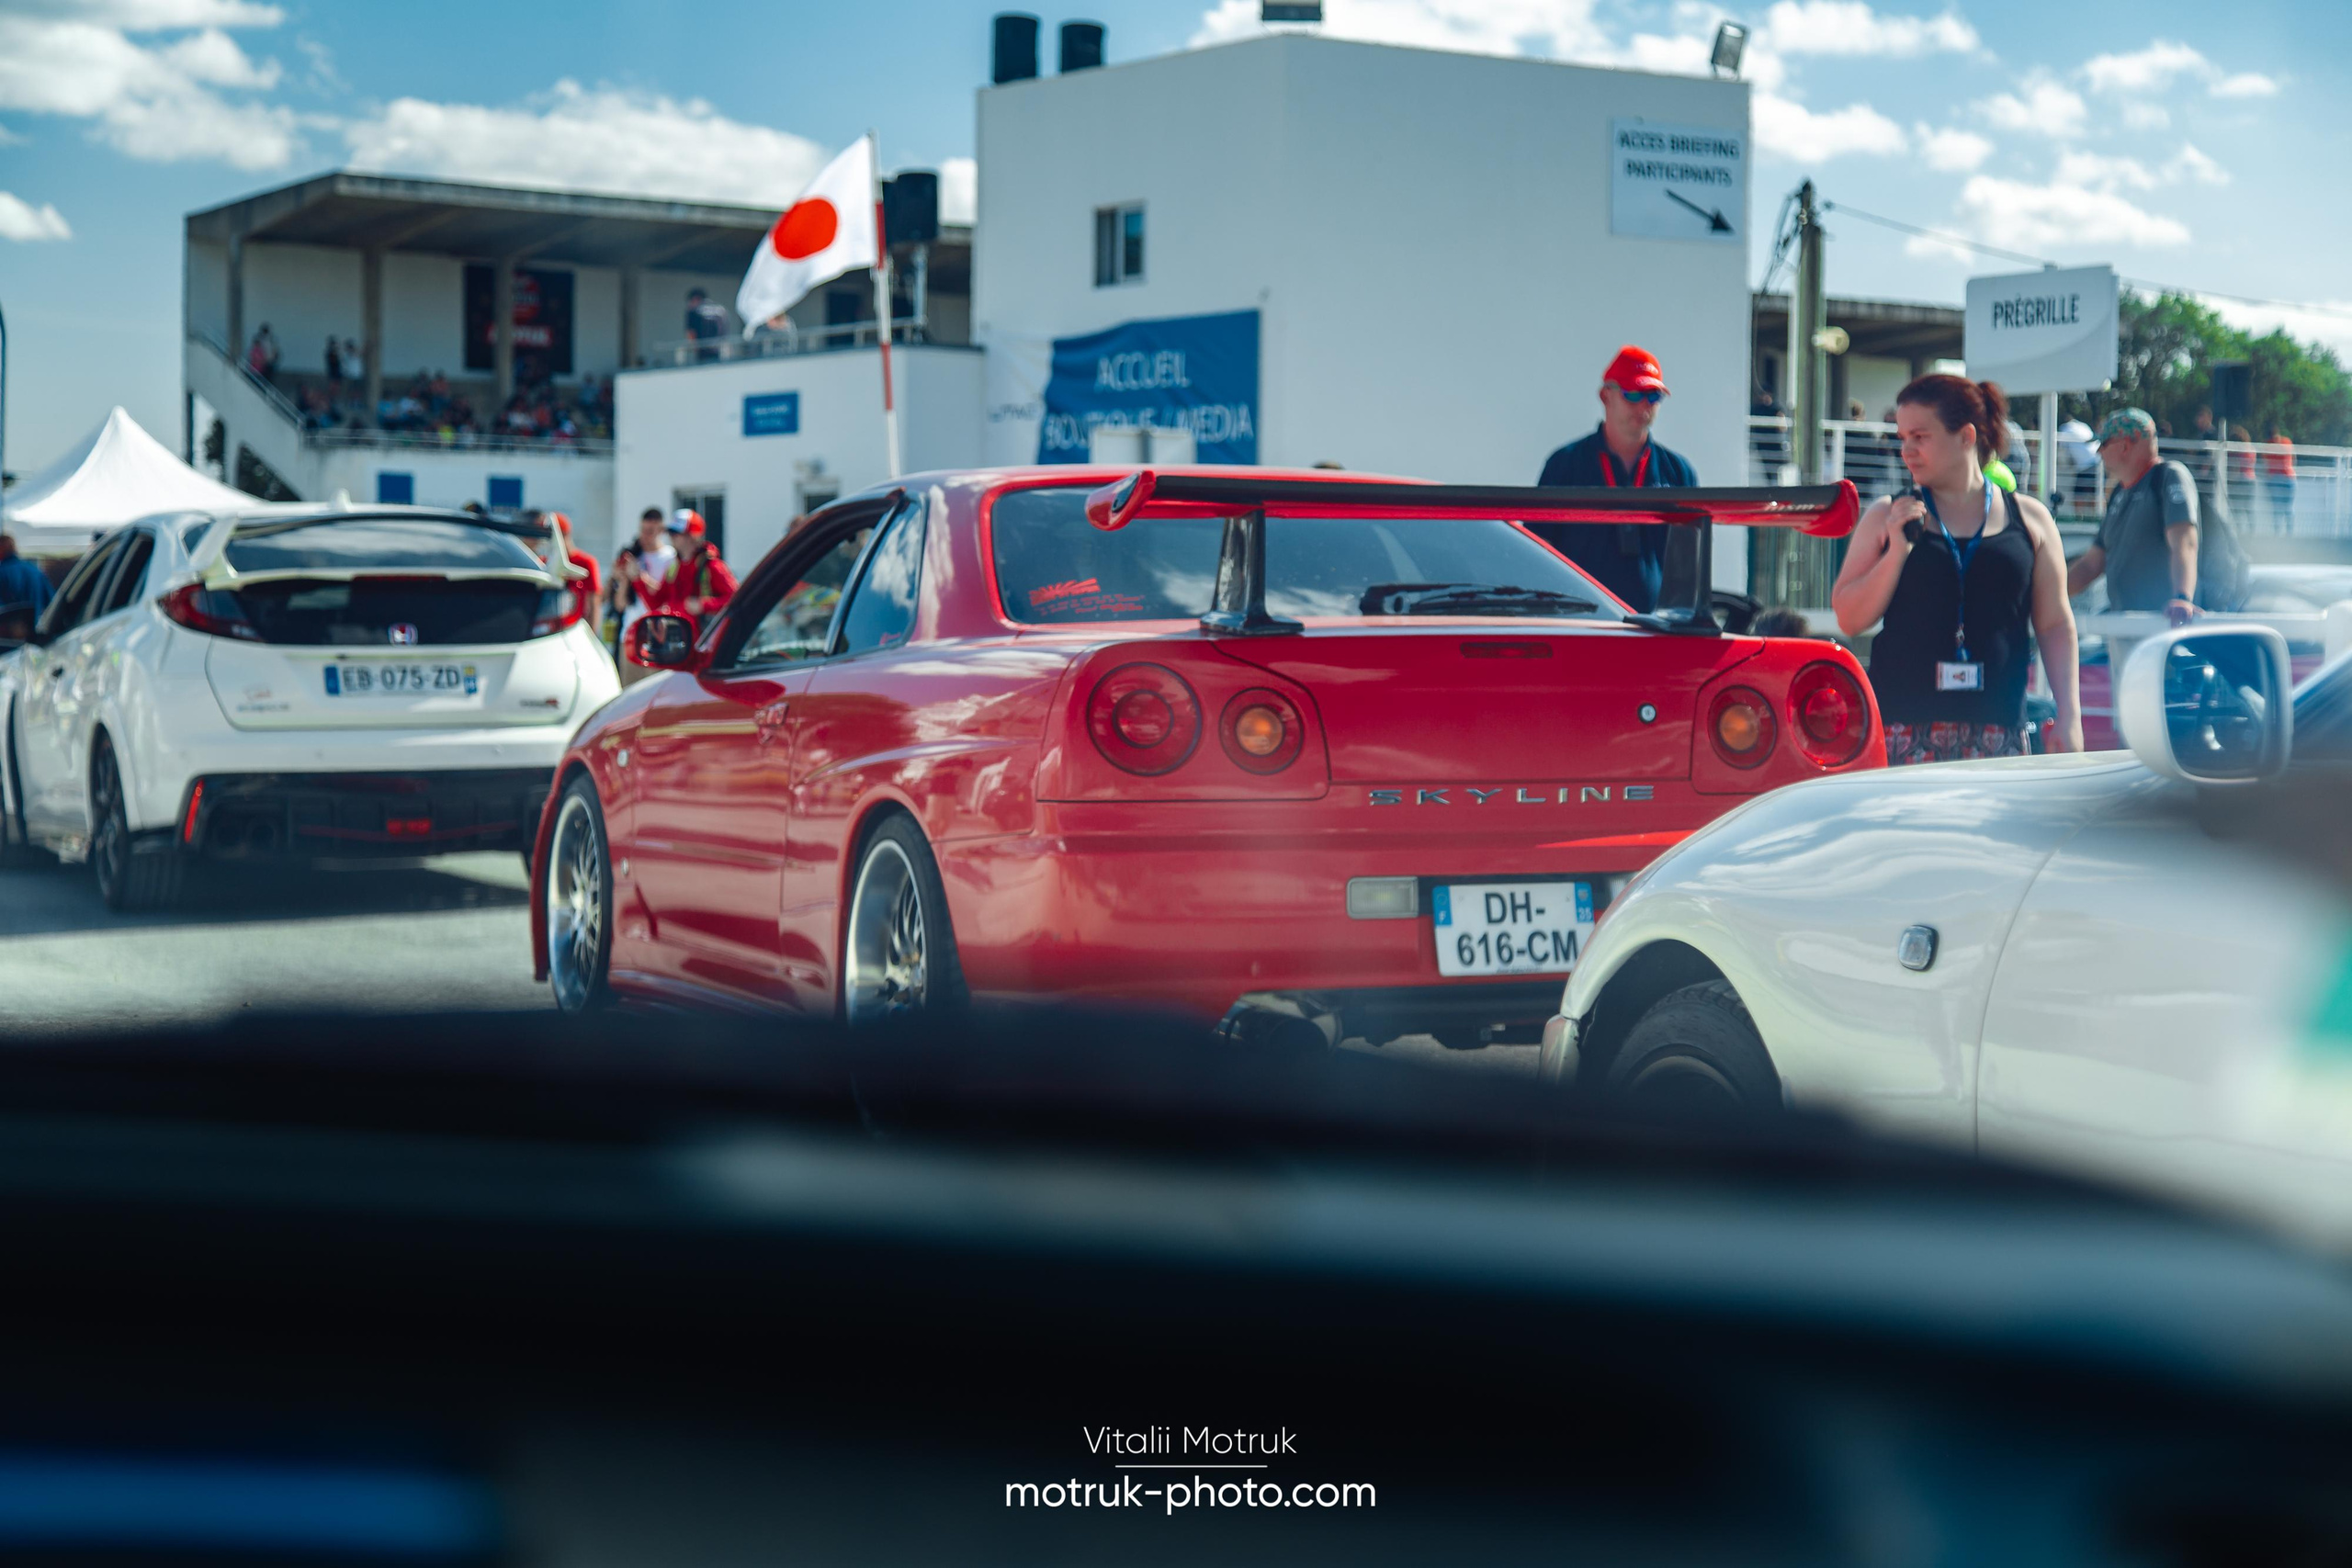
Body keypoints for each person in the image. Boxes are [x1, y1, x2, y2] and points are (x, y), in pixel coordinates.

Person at [1832, 374, 2081, 764]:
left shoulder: (2031, 519)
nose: (1907, 451)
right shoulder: (1886, 515)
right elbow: (1849, 618)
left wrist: (2070, 715)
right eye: (1902, 438)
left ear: (1966, 436)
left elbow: (2054, 624)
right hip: (1901, 731)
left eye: (1920, 436)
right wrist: (1897, 551)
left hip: (1999, 732)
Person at [1533, 344, 1696, 613]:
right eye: (1633, 393)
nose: (1644, 405)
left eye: (1653, 396)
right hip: (1582, 627)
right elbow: (1540, 552)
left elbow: (1690, 564)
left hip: (1656, 630)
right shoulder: (1564, 464)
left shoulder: (1679, 472)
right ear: (1604, 396)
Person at [2067, 409, 2200, 630]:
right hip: (2125, 627)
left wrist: (2182, 598)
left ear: (2124, 445)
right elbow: (2092, 564)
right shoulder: (2119, 493)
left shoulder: (2169, 476)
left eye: (2103, 443)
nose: (2098, 452)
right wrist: (2048, 596)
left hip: (2163, 628)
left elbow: (2185, 543)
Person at [612, 506, 677, 683]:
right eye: (643, 530)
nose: (645, 536)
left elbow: (663, 597)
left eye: (650, 531)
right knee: (629, 691)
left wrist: (640, 577)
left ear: (660, 530)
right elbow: (620, 604)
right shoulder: (632, 555)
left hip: (657, 635)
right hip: (631, 634)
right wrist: (625, 578)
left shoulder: (670, 557)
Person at [644, 511, 738, 629]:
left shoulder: (712, 566)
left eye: (676, 533)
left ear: (692, 535)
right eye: (671, 533)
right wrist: (638, 578)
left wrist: (703, 605)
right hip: (678, 640)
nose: (672, 537)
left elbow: (736, 600)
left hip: (705, 643)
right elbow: (655, 603)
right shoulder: (674, 567)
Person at [0, 533, 55, 622]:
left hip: (8, 631)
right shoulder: (35, 570)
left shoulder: (2, 573)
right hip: (35, 629)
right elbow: (52, 603)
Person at [2263, 429, 2297, 534]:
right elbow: (2294, 459)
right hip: (2284, 478)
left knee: (2283, 507)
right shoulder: (2286, 442)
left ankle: (2284, 531)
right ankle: (2283, 531)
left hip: (2282, 478)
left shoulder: (2270, 445)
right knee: (2282, 508)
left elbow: (2266, 463)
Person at [685, 289, 729, 363]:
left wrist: (693, 346)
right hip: (718, 348)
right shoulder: (719, 309)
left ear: (695, 299)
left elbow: (691, 333)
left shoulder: (694, 311)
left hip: (703, 349)